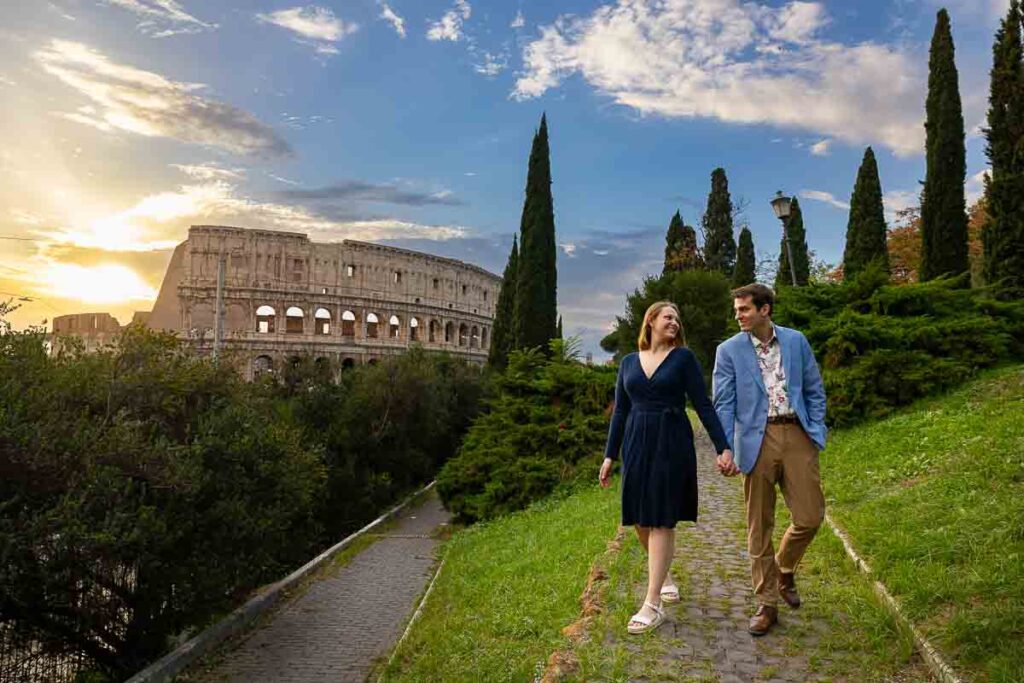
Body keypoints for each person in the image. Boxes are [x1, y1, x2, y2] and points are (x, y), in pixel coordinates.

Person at [599, 301, 732, 635]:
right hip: (635, 442)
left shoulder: (684, 359)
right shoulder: (628, 362)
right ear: (651, 322)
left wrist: (723, 446)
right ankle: (666, 577)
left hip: (671, 440)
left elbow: (702, 403)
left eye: (677, 318)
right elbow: (619, 411)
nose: (674, 321)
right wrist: (609, 455)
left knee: (660, 517)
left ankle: (652, 602)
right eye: (668, 316)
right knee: (638, 519)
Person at [712, 283, 827, 636]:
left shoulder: (796, 341)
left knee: (810, 516)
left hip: (796, 434)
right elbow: (724, 403)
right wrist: (726, 448)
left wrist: (816, 428)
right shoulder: (728, 350)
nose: (738, 315)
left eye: (744, 309)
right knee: (758, 526)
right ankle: (767, 604)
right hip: (754, 440)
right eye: (736, 310)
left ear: (765, 310)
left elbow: (813, 388)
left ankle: (784, 567)